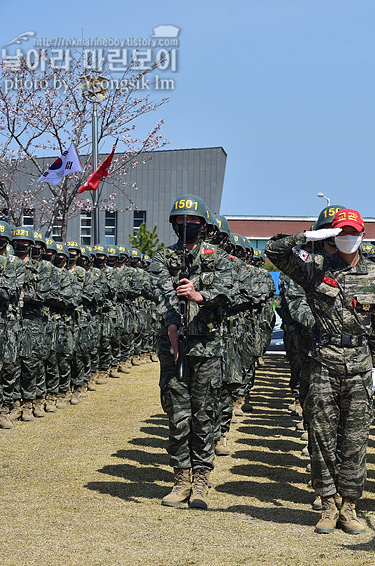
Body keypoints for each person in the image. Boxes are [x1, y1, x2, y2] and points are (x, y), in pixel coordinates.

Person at [265, 208, 375, 535]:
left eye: (353, 232)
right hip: (324, 361)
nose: (348, 238)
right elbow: (273, 251)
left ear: (362, 235)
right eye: (341, 232)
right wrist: (306, 238)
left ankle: (349, 506)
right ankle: (327, 503)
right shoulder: (315, 269)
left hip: (361, 366)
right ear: (332, 235)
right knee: (320, 434)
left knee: (355, 438)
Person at [148, 194, 233, 510]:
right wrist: (172, 325)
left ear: (204, 226)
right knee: (178, 415)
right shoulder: (162, 259)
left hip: (207, 348)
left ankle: (201, 481)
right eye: (180, 222)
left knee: (204, 415)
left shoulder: (219, 258)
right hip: (174, 348)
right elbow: (161, 293)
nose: (186, 226)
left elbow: (235, 289)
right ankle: (181, 478)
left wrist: (201, 296)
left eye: (193, 222)